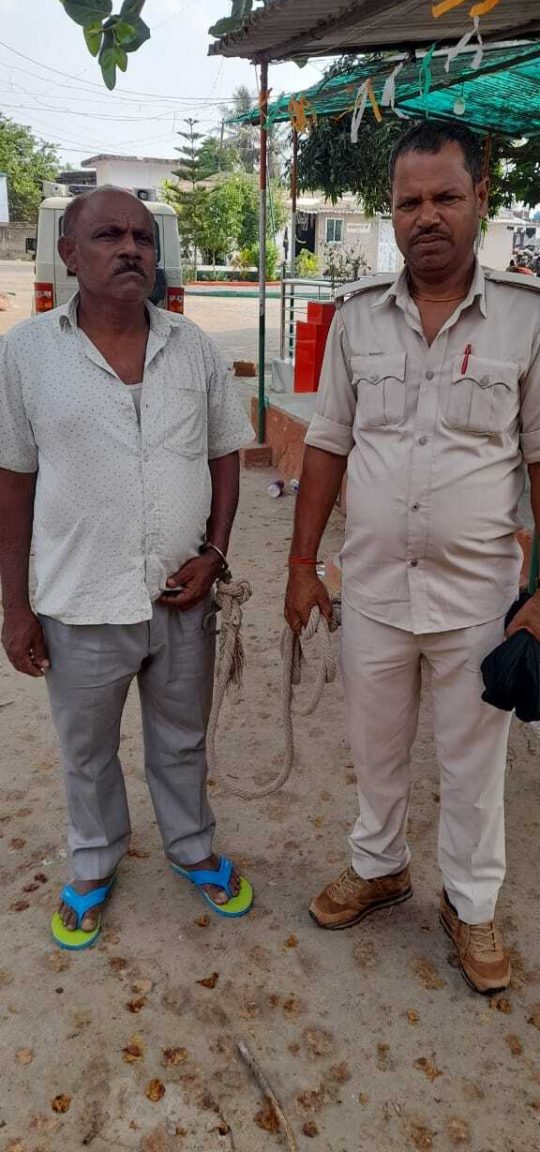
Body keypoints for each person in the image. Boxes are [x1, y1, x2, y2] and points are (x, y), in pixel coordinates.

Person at [285, 120, 540, 994]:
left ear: (481, 199)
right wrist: (300, 566)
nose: (426, 216)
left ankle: (471, 906)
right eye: (408, 202)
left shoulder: (526, 318)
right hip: (375, 590)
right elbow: (327, 444)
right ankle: (380, 865)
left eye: (445, 197)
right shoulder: (358, 317)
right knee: (375, 746)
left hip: (478, 599)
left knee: (474, 768)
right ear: (390, 212)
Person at [0, 187, 255, 950]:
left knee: (181, 741)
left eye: (143, 236)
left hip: (181, 593)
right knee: (87, 752)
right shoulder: (27, 353)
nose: (130, 248)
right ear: (69, 254)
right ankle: (93, 861)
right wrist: (15, 607)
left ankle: (192, 848)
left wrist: (214, 554)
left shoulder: (193, 348)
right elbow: (12, 480)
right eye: (108, 235)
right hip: (79, 599)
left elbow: (226, 453)